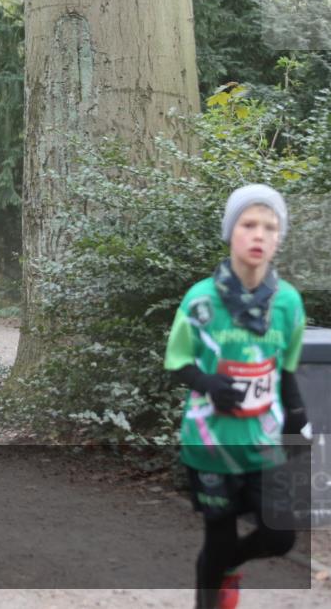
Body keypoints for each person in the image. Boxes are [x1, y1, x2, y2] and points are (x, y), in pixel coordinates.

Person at [164, 184, 309, 609]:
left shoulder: (288, 303)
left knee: (279, 536)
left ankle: (228, 567)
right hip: (209, 442)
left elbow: (285, 371)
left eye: (270, 226)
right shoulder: (201, 299)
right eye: (249, 224)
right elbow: (178, 363)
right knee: (219, 533)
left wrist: (298, 419)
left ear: (279, 236)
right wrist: (209, 384)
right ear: (231, 232)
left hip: (263, 443)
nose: (259, 234)